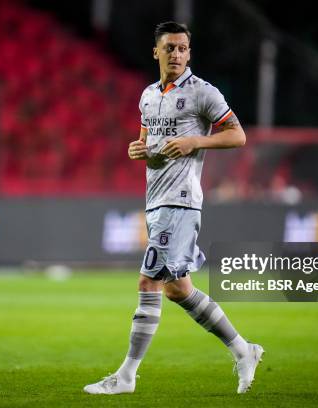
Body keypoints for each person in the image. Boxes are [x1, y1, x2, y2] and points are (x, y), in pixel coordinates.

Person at [84, 21, 264, 395]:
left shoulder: (203, 93)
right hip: (155, 200)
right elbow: (149, 147)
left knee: (148, 281)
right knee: (178, 289)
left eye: (183, 48)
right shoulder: (148, 95)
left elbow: (238, 135)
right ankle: (244, 350)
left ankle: (126, 376)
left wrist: (195, 141)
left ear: (189, 52)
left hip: (181, 201)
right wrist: (139, 151)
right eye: (170, 48)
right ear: (157, 52)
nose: (178, 55)